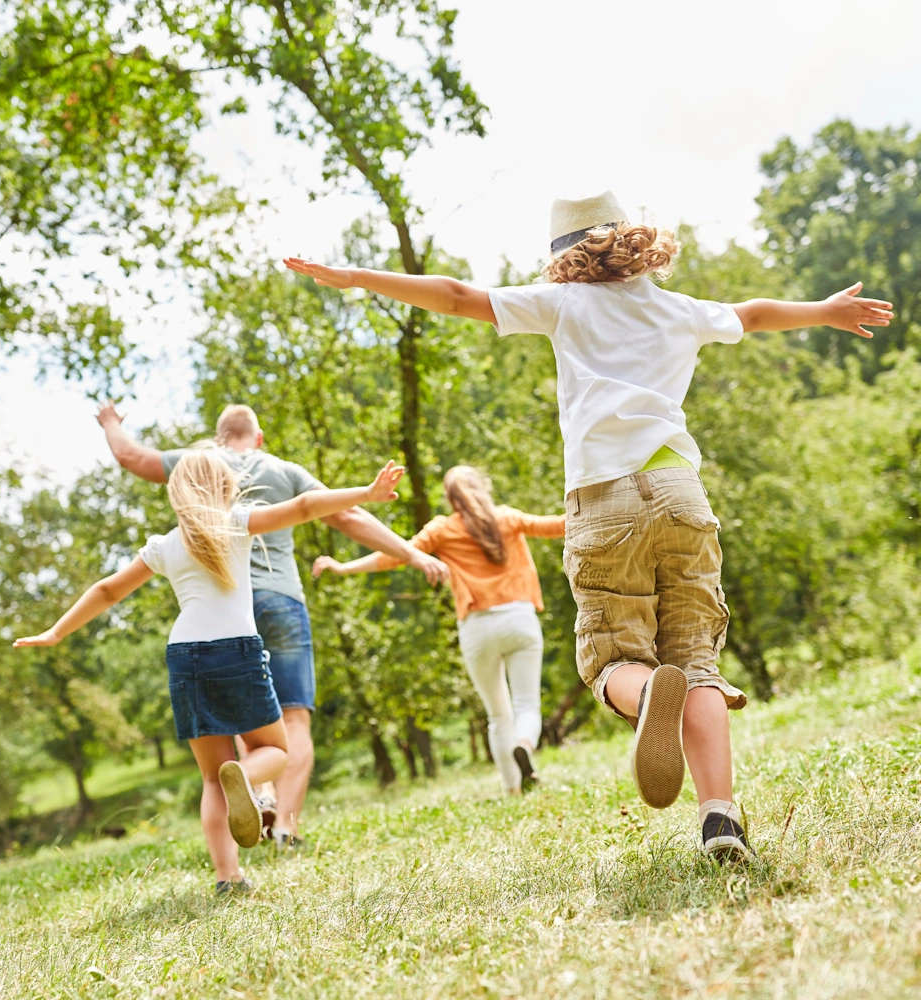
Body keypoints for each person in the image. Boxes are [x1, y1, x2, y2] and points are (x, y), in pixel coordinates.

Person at [284, 191, 893, 860]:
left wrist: (359, 278)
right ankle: (721, 819)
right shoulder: (675, 307)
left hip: (605, 499)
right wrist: (827, 311)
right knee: (696, 662)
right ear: (630, 240)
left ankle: (644, 694)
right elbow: (750, 313)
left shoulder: (564, 304)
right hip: (681, 492)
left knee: (610, 658)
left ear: (564, 258)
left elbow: (458, 295)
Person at [14, 448, 407, 893]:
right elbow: (303, 507)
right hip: (236, 650)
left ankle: (227, 877)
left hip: (184, 655)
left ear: (177, 493)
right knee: (275, 752)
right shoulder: (237, 522)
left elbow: (107, 590)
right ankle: (246, 776)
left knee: (210, 777)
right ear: (225, 488)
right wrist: (367, 493)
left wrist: (56, 631)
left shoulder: (163, 545)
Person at [96, 400, 449, 849]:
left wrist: (111, 423)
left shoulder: (197, 464)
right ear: (258, 438)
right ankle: (286, 825)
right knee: (293, 721)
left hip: (223, 612)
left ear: (219, 437)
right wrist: (412, 553)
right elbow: (343, 514)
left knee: (247, 718)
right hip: (281, 601)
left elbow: (132, 457)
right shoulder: (282, 469)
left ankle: (258, 795)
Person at [313, 465, 564, 795]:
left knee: (497, 715)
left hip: (477, 628)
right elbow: (559, 525)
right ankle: (524, 745)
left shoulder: (443, 529)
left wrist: (345, 567)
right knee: (527, 706)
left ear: (450, 499)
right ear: (483, 487)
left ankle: (512, 789)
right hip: (519, 618)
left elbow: (398, 554)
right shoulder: (508, 518)